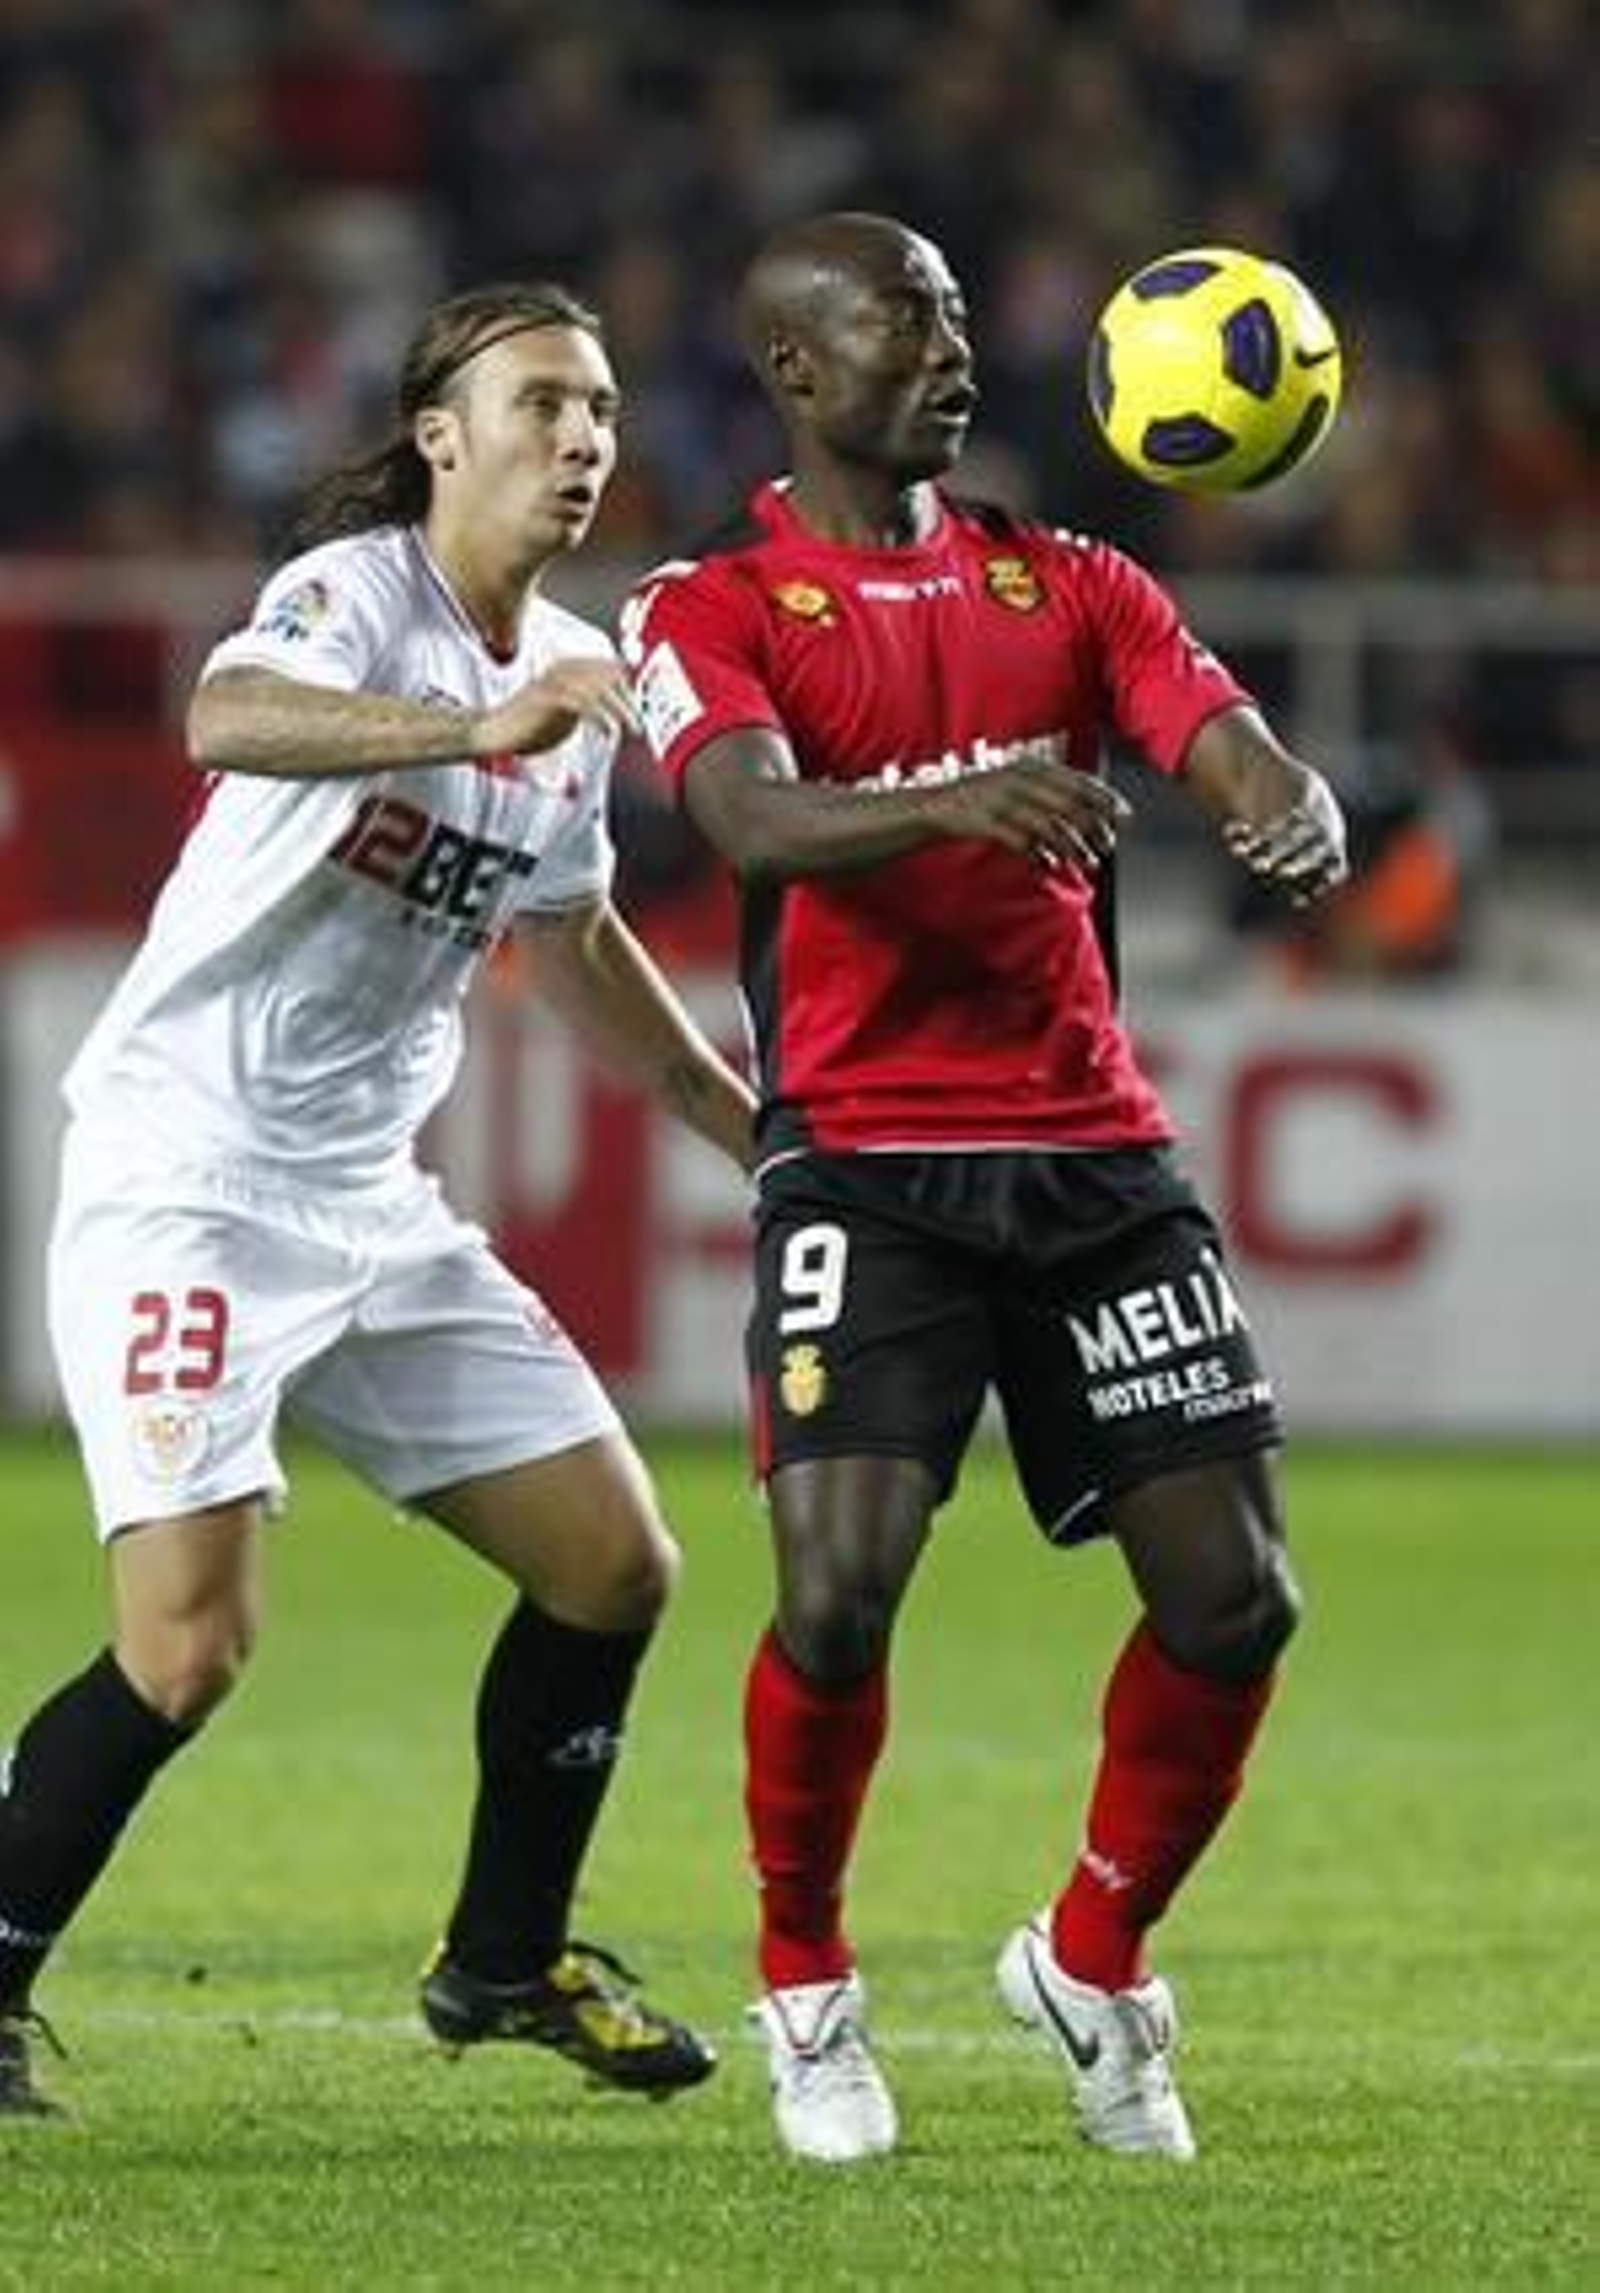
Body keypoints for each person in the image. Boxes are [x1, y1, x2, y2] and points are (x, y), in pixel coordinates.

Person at [621, 213, 1348, 2165]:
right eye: (902, 322)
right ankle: (804, 1985)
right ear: (792, 365)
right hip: (864, 1161)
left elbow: (1219, 728)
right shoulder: (716, 602)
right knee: (839, 1592)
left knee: (1235, 1599)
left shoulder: (1072, 577)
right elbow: (745, 817)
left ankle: (1093, 1960)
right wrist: (959, 792)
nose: (948, 351)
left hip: (1092, 1155)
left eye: (955, 316)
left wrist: (1276, 794)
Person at [0, 282, 757, 2119]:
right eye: (540, 402)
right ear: (440, 432)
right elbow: (223, 711)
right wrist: (471, 726)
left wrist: (757, 1137)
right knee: (189, 1643)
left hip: (369, 1206)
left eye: (598, 409)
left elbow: (568, 940)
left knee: (615, 1563)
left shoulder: (566, 683)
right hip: (185, 1177)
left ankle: (504, 1958)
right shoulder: (360, 596)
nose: (580, 439)